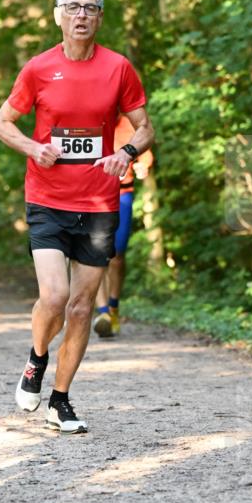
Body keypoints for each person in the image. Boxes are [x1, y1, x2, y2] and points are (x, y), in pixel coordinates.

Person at [0, 0, 154, 434]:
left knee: (82, 307)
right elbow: (1, 123)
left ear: (100, 17)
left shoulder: (118, 68)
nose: (81, 15)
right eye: (73, 7)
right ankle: (36, 359)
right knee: (56, 297)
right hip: (46, 198)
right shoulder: (39, 68)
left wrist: (126, 153)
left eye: (90, 8)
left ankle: (60, 400)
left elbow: (144, 128)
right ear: (59, 15)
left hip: (100, 203)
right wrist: (32, 148)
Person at [93, 114, 154, 337]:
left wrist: (143, 166)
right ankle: (102, 314)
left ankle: (113, 307)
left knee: (117, 256)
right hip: (93, 196)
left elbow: (145, 152)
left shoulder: (129, 123)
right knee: (95, 255)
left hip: (122, 195)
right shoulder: (90, 119)